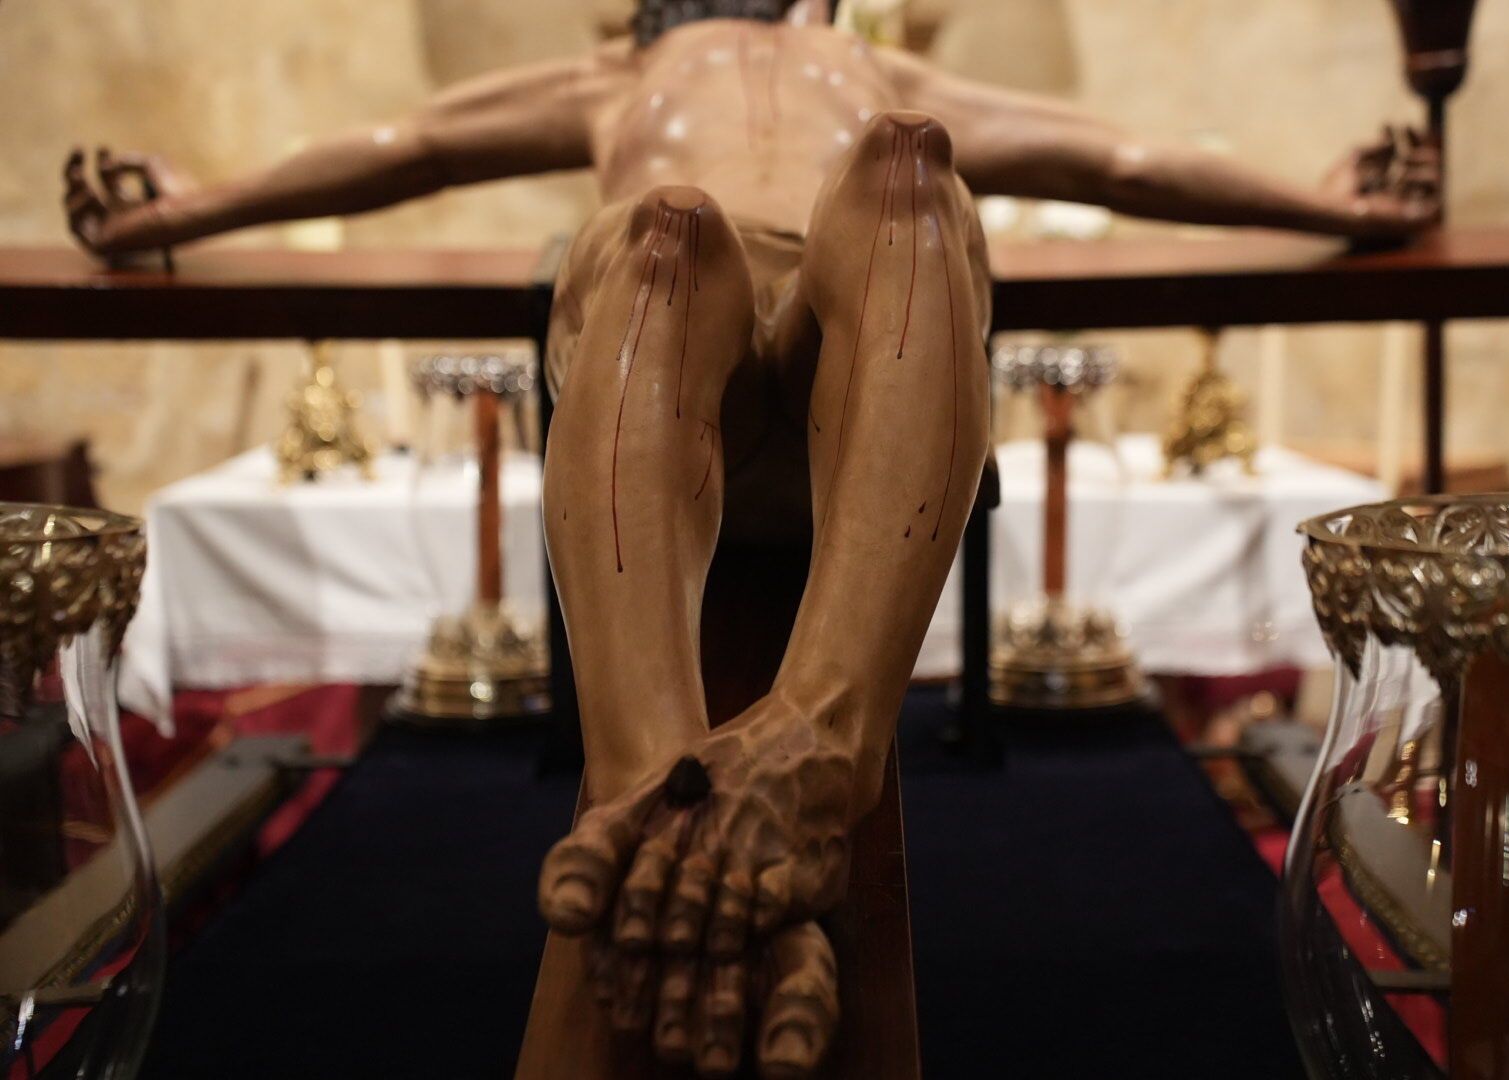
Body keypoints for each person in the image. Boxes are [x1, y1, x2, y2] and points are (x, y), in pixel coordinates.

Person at [64, 2, 1437, 1075]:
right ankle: (650, 790)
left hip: (862, 372)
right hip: (680, 368)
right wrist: (184, 213)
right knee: (661, 235)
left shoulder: (885, 72)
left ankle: (818, 747)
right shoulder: (619, 70)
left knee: (913, 180)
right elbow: (401, 149)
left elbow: (1127, 160)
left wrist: (1335, 207)